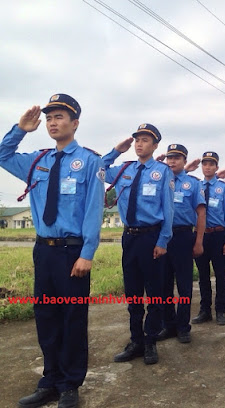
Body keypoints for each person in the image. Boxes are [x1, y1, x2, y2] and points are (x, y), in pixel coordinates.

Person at [0, 94, 105, 408]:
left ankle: (70, 385)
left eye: (59, 117)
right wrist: (20, 130)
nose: (52, 123)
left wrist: (87, 253)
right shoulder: (36, 161)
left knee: (72, 317)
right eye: (48, 118)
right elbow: (3, 155)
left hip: (73, 253)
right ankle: (50, 380)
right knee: (45, 316)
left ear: (74, 123)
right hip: (43, 251)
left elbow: (93, 210)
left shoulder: (89, 161)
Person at [103, 123, 174, 365]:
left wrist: (163, 240)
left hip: (151, 237)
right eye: (137, 140)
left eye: (145, 140)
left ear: (155, 146)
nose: (139, 144)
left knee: (154, 293)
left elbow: (168, 209)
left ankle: (151, 341)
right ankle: (136, 341)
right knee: (133, 293)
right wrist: (115, 151)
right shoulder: (123, 170)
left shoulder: (162, 172)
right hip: (129, 238)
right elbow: (97, 171)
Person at [157, 144, 206, 343]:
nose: (172, 161)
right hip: (162, 238)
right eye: (169, 158)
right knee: (163, 284)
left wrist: (199, 241)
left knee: (184, 285)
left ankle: (183, 326)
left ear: (185, 161)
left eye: (177, 158)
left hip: (184, 237)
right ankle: (168, 325)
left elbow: (201, 213)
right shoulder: (160, 179)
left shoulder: (193, 184)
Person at [192, 152, 225, 325]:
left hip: (218, 235)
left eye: (211, 164)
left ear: (216, 167)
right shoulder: (195, 186)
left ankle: (221, 310)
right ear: (202, 167)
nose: (207, 167)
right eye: (205, 164)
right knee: (203, 276)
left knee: (220, 275)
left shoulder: (223, 188)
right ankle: (205, 310)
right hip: (200, 236)